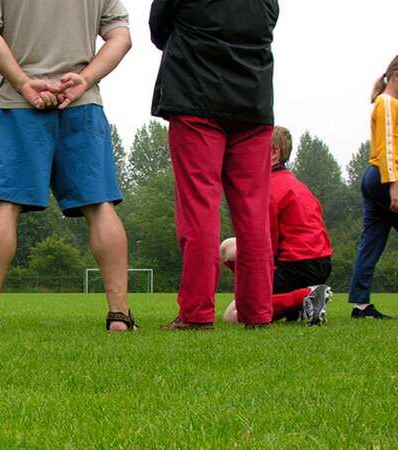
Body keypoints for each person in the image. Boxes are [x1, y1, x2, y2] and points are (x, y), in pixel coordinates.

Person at [0, 0, 137, 332]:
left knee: (4, 204)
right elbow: (121, 37)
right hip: (81, 103)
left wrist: (24, 82)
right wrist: (85, 79)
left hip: (17, 103)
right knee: (100, 205)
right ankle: (120, 317)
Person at [150, 0, 279, 330]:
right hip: (253, 102)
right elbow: (267, 25)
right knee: (253, 213)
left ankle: (195, 313)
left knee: (199, 208)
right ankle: (258, 312)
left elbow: (159, 28)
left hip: (195, 99)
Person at [220, 126, 333, 326]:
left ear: (274, 153)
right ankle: (297, 304)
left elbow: (265, 246)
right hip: (318, 264)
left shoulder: (270, 189)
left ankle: (306, 296)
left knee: (234, 314)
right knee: (228, 246)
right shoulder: (296, 185)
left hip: (295, 265)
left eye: (254, 148)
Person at [347, 56, 398, 320]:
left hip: (374, 177)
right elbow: (389, 147)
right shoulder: (387, 103)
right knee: (370, 240)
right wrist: (394, 187)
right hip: (385, 177)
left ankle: (361, 305)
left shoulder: (385, 103)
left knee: (371, 240)